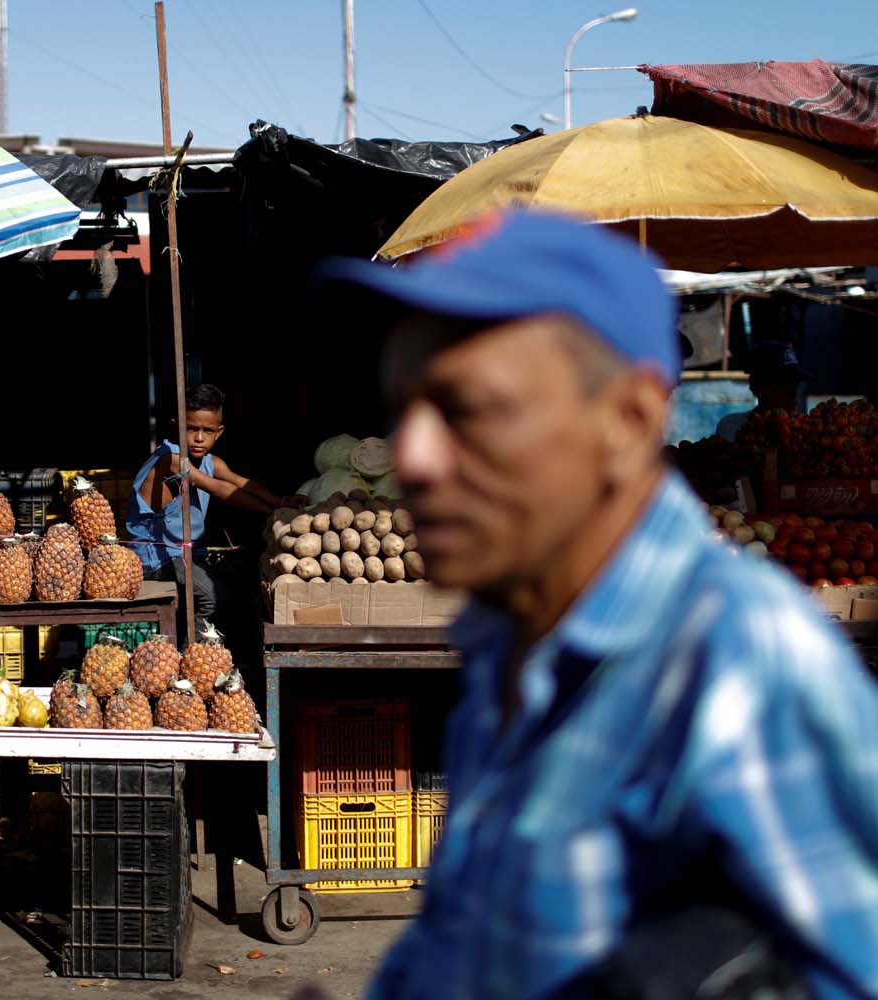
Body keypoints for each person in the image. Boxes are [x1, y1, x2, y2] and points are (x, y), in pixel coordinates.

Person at [318, 211, 878, 999]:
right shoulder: (506, 644)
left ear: (629, 420)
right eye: (402, 405)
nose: (412, 454)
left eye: (469, 409)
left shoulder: (736, 667)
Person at [125, 383, 299, 637]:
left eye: (207, 431)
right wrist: (271, 510)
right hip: (155, 558)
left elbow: (241, 483)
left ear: (219, 433)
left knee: (242, 577)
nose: (198, 438)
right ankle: (188, 656)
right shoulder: (171, 459)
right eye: (192, 429)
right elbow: (218, 488)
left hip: (185, 554)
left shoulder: (210, 462)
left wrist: (281, 504)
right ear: (176, 426)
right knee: (213, 598)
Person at [716, 340, 808, 441]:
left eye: (796, 386)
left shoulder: (806, 433)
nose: (794, 395)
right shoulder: (731, 427)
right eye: (784, 386)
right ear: (755, 386)